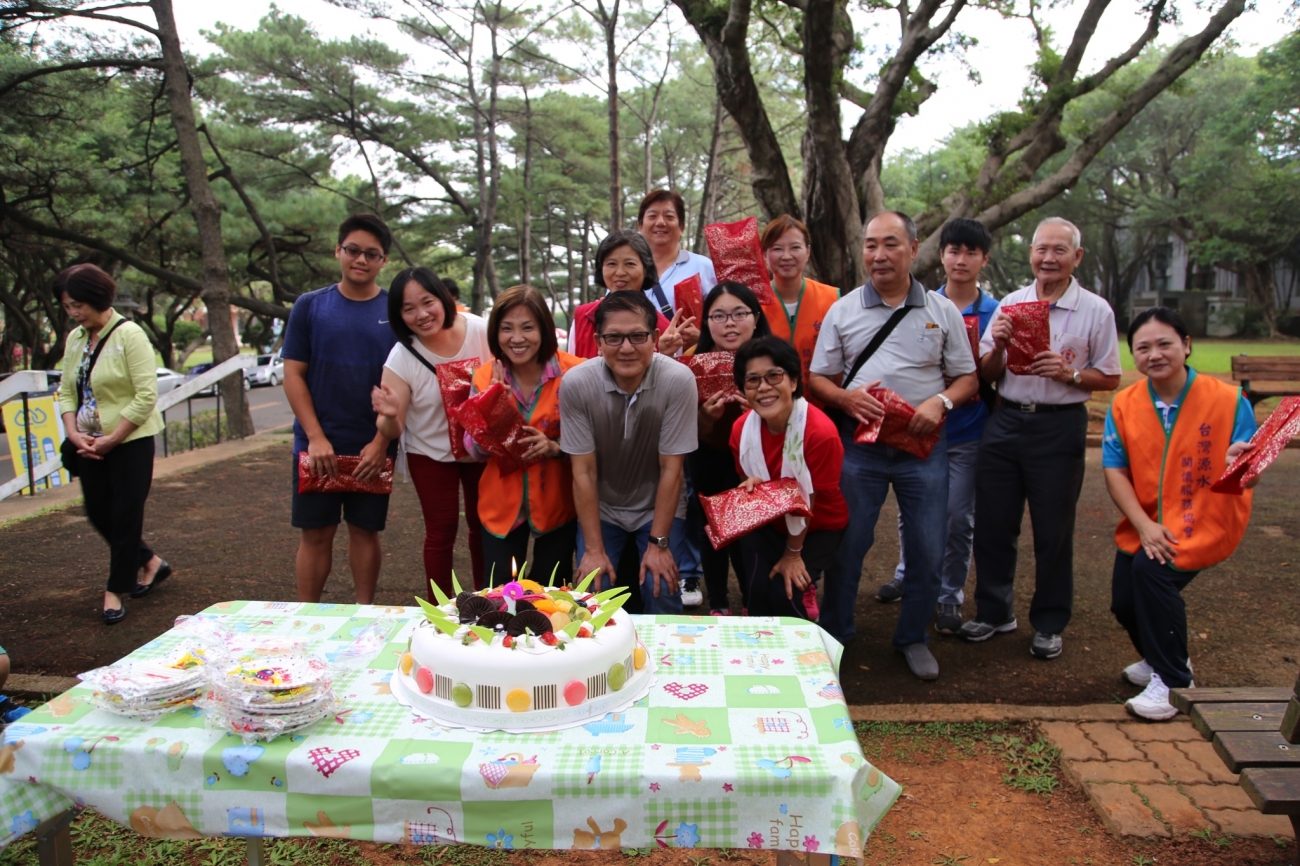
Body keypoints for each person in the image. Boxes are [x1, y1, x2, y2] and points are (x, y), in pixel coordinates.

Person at [808, 211, 978, 680]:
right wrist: (845, 397)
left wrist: (940, 403)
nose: (878, 255)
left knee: (928, 546)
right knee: (849, 543)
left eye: (890, 244)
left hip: (921, 448)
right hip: (859, 448)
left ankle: (912, 638)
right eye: (870, 245)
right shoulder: (843, 310)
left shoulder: (941, 310)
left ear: (914, 249)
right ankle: (836, 634)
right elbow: (818, 377)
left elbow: (968, 377)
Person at [960, 217, 1123, 659]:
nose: (1048, 258)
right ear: (1031, 253)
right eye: (1041, 249)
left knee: (1053, 530)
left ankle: (1050, 621)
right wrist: (997, 347)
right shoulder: (1011, 303)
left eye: (1059, 250)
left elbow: (1110, 376)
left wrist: (1070, 373)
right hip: (1006, 419)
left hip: (1059, 425)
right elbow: (985, 375)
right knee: (994, 524)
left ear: (1076, 257)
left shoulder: (1095, 310)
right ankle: (995, 611)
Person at [1104, 307, 1258, 719]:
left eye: (1165, 343)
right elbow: (1114, 471)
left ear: (1186, 345)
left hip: (1204, 516)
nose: (1155, 354)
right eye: (1143, 347)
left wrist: (1238, 466)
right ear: (1133, 355)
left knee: (1152, 573)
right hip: (1147, 519)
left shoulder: (1229, 401)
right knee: (1124, 601)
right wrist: (1143, 525)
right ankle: (1162, 656)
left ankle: (1174, 681)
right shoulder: (1124, 404)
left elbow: (1248, 476)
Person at [876, 218, 1000, 636]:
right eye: (953, 251)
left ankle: (949, 595)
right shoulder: (922, 302)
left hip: (965, 428)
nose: (960, 260)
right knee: (915, 511)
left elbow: (988, 375)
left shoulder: (995, 311)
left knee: (957, 516)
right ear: (939, 254)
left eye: (970, 252)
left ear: (984, 258)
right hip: (914, 428)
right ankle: (907, 572)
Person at [283, 213, 398, 604]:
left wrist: (381, 442)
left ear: (383, 261)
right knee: (316, 533)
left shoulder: (395, 312)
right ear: (338, 251)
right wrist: (315, 437)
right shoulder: (310, 307)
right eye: (353, 250)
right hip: (318, 445)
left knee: (366, 531)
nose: (361, 260)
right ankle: (307, 616)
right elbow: (294, 375)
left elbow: (403, 384)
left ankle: (364, 610)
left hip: (373, 444)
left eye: (371, 254)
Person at [560, 290, 698, 614]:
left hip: (657, 503)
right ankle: (597, 665)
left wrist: (659, 544)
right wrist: (593, 549)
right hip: (604, 504)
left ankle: (664, 661)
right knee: (592, 590)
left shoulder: (678, 381)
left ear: (655, 337)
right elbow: (583, 472)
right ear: (598, 341)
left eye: (637, 336)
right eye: (614, 337)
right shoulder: (577, 384)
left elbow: (672, 470)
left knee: (660, 585)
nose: (626, 348)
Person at [56, 264, 168, 624]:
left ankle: (116, 589)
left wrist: (113, 438)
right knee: (98, 512)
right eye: (68, 306)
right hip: (87, 440)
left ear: (98, 298)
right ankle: (150, 562)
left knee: (124, 516)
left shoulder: (129, 334)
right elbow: (67, 391)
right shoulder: (75, 339)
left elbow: (146, 394)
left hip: (130, 440)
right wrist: (74, 434)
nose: (74, 312)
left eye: (78, 305)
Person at [372, 268, 492, 599]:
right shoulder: (401, 357)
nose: (421, 314)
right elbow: (393, 428)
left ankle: (490, 599)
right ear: (398, 315)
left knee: (483, 527)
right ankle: (441, 609)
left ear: (444, 299)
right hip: (429, 453)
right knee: (440, 532)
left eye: (428, 302)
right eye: (408, 308)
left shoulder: (481, 332)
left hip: (480, 449)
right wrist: (387, 416)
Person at [462, 285, 583, 585]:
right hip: (500, 505)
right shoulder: (484, 377)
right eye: (506, 329)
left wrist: (555, 447)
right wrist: (493, 409)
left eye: (527, 327)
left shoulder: (575, 373)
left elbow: (593, 442)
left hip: (558, 502)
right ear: (495, 333)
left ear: (544, 328)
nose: (517, 338)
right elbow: (473, 450)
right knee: (500, 595)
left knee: (552, 593)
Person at [730, 337, 848, 620]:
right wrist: (752, 488)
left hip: (818, 523)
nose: (764, 388)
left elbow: (809, 499)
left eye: (774, 376)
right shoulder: (741, 430)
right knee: (755, 591)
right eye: (753, 380)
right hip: (770, 521)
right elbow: (749, 479)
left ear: (794, 382)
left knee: (785, 595)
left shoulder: (820, 433)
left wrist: (793, 554)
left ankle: (802, 658)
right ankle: (758, 658)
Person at [687, 282, 772, 615]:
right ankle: (719, 602)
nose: (730, 323)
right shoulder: (693, 362)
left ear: (756, 316)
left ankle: (753, 600)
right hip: (709, 455)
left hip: (759, 460)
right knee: (713, 530)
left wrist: (757, 416)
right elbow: (684, 430)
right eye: (718, 315)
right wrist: (706, 419)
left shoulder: (772, 358)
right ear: (707, 321)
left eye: (739, 313)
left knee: (752, 533)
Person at [759, 214, 840, 401]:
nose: (786, 256)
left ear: (808, 251)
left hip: (827, 405)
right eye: (777, 249)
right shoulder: (752, 305)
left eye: (795, 247)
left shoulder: (833, 299)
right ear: (764, 254)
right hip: (770, 405)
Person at [567, 231, 671, 358]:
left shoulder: (664, 328)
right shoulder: (582, 318)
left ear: (645, 269)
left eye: (629, 264)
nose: (620, 272)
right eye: (611, 264)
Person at [637, 189, 716, 330]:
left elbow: (721, 317)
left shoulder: (702, 267)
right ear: (640, 226)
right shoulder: (628, 270)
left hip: (688, 352)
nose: (660, 222)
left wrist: (700, 339)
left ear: (682, 227)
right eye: (652, 216)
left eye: (669, 216)